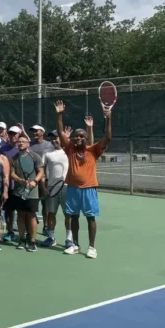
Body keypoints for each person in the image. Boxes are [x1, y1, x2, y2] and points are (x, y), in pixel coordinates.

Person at [55, 100, 112, 259]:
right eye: (76, 136)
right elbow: (60, 133)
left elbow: (107, 137)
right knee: (73, 217)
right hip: (72, 188)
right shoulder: (70, 149)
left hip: (89, 189)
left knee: (90, 218)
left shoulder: (93, 150)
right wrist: (59, 115)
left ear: (87, 138)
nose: (78, 138)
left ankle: (92, 247)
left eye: (81, 136)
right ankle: (76, 245)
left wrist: (109, 118)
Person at [9, 135, 44, 252]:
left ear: (28, 144)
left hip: (32, 193)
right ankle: (22, 239)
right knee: (20, 215)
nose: (21, 143)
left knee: (31, 216)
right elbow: (12, 173)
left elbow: (41, 171)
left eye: (23, 141)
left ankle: (32, 241)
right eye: (19, 141)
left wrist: (35, 181)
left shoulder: (35, 156)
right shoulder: (14, 158)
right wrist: (20, 180)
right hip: (18, 192)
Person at [41, 130, 69, 248]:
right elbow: (42, 171)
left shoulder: (68, 150)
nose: (54, 140)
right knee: (51, 214)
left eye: (56, 137)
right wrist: (44, 187)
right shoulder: (47, 152)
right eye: (52, 138)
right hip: (51, 188)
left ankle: (69, 239)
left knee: (68, 214)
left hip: (67, 188)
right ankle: (51, 238)